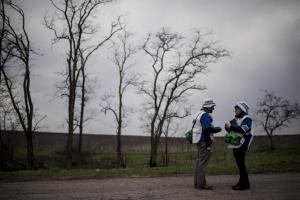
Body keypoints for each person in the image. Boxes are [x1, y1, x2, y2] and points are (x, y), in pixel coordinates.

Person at [193, 98, 222, 190]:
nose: (213, 108)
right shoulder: (205, 115)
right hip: (205, 141)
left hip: (199, 140)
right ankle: (201, 184)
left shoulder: (198, 114)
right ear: (208, 106)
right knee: (203, 163)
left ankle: (197, 183)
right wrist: (218, 129)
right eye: (212, 107)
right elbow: (207, 129)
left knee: (199, 162)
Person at [225, 101, 254, 190]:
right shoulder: (236, 119)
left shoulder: (247, 118)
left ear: (242, 109)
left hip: (243, 144)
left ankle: (244, 184)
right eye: (235, 109)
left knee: (241, 164)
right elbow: (232, 132)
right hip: (235, 145)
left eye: (237, 109)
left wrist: (231, 127)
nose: (235, 110)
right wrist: (227, 128)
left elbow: (243, 129)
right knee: (240, 164)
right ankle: (243, 183)